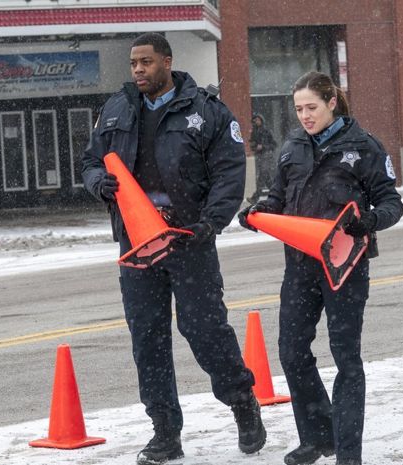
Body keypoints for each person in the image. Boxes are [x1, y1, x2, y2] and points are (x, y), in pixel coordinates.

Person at [80, 32, 265, 465]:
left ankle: (242, 402)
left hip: (188, 240)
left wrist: (210, 223)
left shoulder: (206, 111)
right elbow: (91, 161)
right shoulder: (117, 109)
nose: (138, 70)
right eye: (133, 64)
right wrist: (98, 185)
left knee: (204, 331)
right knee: (148, 340)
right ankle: (165, 432)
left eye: (146, 62)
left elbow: (228, 172)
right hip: (137, 245)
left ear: (167, 61)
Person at [238, 71, 403, 465]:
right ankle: (317, 436)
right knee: (292, 352)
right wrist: (259, 213)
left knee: (346, 357)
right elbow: (277, 198)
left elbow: (392, 203)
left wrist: (370, 220)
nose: (304, 116)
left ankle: (348, 452)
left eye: (311, 107)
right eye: (298, 109)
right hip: (300, 265)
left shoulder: (364, 147)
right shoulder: (291, 146)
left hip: (346, 267)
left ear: (332, 102)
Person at [247, 113, 277, 203]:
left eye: (258, 120)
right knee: (267, 178)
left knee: (262, 175)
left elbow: (274, 144)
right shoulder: (254, 132)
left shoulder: (267, 131)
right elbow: (252, 144)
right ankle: (276, 195)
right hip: (259, 156)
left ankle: (255, 197)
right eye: (255, 120)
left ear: (261, 120)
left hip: (267, 155)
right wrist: (254, 146)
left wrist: (263, 146)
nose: (256, 122)